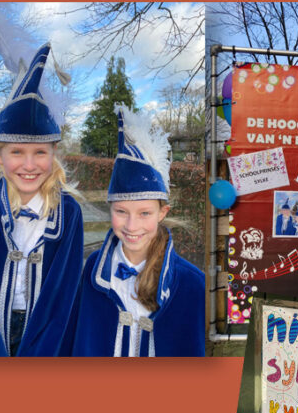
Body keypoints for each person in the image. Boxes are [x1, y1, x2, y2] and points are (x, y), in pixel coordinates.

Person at [0, 40, 82, 357]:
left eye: (40, 152)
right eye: (17, 152)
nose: (28, 165)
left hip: (44, 331)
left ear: (54, 154)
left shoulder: (70, 213)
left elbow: (65, 293)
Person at [63, 105, 206, 357]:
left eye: (144, 213)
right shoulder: (94, 269)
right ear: (109, 209)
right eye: (121, 212)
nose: (131, 226)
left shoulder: (191, 282)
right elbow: (81, 339)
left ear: (163, 213)